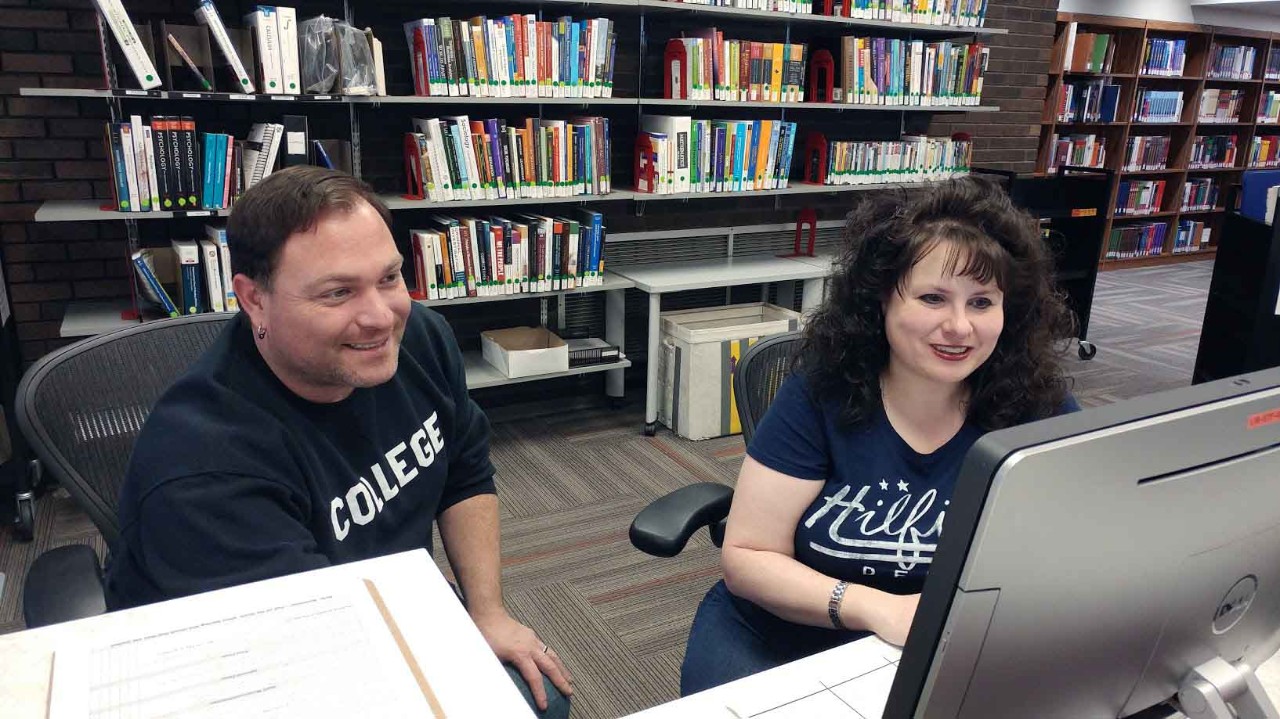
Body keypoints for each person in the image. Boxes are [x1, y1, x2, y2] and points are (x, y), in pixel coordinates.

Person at [104, 166, 572, 718]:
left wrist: (486, 613)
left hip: (377, 606)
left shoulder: (418, 338)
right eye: (337, 292)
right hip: (255, 668)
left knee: (535, 697)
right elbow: (313, 660)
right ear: (254, 299)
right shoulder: (204, 466)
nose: (381, 318)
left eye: (390, 278)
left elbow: (464, 471)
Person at [679, 176, 1081, 695]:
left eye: (982, 302)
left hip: (947, 641)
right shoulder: (821, 392)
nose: (960, 327)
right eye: (933, 298)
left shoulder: (1037, 407)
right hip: (786, 632)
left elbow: (1077, 551)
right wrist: (878, 609)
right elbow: (748, 558)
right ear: (881, 302)